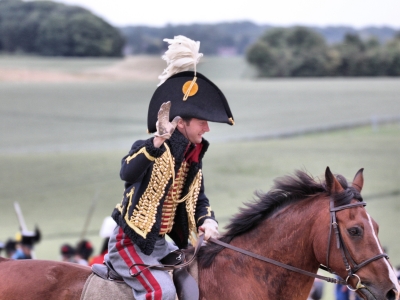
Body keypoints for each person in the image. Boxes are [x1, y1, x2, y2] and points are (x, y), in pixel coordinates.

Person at [105, 35, 235, 300]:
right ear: (181, 123)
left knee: (196, 288)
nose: (207, 127)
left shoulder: (193, 157)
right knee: (161, 292)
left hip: (162, 245)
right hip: (129, 243)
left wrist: (207, 220)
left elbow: (198, 198)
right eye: (202, 121)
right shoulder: (150, 147)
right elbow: (126, 173)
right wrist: (157, 140)